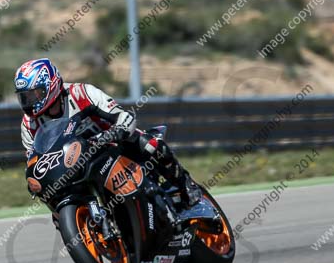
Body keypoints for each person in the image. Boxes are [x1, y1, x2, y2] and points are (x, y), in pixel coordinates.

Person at [14, 57, 203, 206]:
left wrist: (119, 130)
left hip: (111, 143)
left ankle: (185, 184)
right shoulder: (29, 124)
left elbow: (122, 116)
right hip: (74, 163)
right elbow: (33, 160)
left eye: (33, 95)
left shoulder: (81, 93)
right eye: (24, 97)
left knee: (150, 144)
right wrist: (33, 179)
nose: (28, 102)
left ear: (51, 85)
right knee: (50, 195)